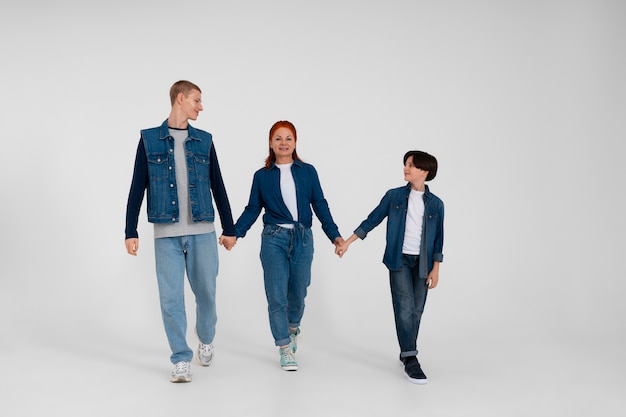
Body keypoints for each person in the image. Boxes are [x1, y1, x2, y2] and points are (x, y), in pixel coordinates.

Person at [124, 80, 236, 383]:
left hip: (203, 231)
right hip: (166, 234)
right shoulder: (149, 140)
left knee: (207, 294)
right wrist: (130, 230)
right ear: (181, 99)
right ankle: (180, 358)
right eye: (197, 100)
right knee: (171, 299)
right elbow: (138, 186)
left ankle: (206, 338)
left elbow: (218, 185)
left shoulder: (205, 140)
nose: (201, 107)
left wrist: (231, 227)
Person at [220, 120, 344, 371]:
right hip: (273, 238)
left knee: (298, 292)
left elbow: (320, 204)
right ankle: (284, 347)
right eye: (278, 138)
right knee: (276, 295)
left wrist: (335, 236)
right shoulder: (262, 176)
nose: (283, 143)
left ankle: (292, 327)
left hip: (303, 239)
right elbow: (253, 208)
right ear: (270, 143)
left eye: (288, 138)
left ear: (295, 142)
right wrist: (234, 233)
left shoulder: (308, 172)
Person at [335, 150, 444, 384]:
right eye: (406, 164)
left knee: (417, 310)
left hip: (423, 263)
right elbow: (372, 219)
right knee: (404, 307)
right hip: (399, 260)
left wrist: (436, 268)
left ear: (424, 171)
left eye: (412, 165)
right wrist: (348, 242)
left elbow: (439, 239)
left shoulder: (437, 204)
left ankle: (407, 349)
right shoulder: (393, 196)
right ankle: (410, 357)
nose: (406, 168)